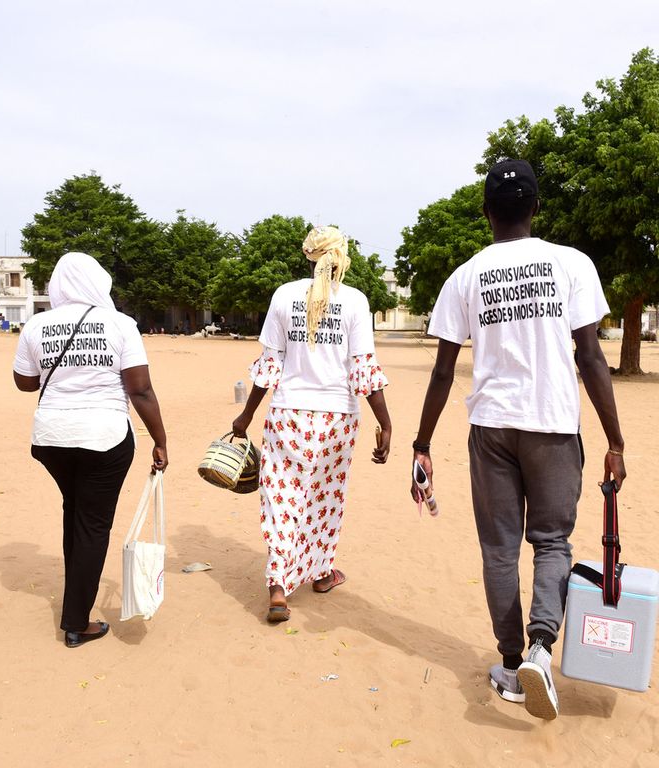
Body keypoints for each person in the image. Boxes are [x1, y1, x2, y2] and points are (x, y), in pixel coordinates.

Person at [410, 160, 626, 720]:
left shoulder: (465, 276)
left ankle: (509, 666)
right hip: (553, 423)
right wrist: (616, 441)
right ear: (535, 208)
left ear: (486, 213)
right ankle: (539, 648)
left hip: (492, 427)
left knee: (499, 549)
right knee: (552, 543)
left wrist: (422, 442)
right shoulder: (571, 264)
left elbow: (441, 373)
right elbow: (591, 356)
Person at [233, 226, 392, 623]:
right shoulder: (355, 301)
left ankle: (278, 587)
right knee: (323, 501)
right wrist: (385, 423)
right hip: (337, 418)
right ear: (341, 256)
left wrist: (246, 414)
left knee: (282, 499)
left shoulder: (284, 295)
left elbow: (271, 366)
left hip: (288, 414)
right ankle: (321, 574)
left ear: (308, 254)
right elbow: (363, 370)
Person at [13, 252, 168, 648]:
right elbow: (140, 388)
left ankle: (74, 604)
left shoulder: (37, 323)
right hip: (104, 437)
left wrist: (59, 369)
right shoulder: (120, 324)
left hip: (51, 439)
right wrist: (161, 439)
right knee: (93, 525)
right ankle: (76, 623)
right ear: (98, 282)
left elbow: (25, 383)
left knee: (76, 513)